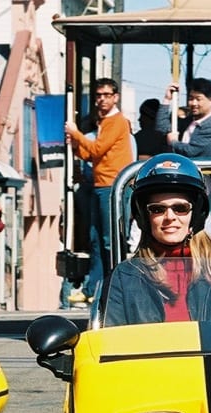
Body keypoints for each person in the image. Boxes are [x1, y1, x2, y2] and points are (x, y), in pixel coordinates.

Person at [101, 154, 211, 326]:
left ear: (196, 214)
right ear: (144, 217)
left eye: (180, 208)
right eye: (157, 209)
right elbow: (112, 341)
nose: (169, 217)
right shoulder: (125, 277)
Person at [65, 77, 135, 303]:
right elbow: (91, 154)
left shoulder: (117, 121)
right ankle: (94, 287)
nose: (102, 99)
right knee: (96, 238)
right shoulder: (104, 121)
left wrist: (76, 134)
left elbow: (96, 148)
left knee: (109, 239)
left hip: (112, 186)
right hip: (100, 184)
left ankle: (117, 283)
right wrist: (76, 145)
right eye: (98, 95)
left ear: (115, 97)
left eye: (106, 95)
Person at [159, 77, 211, 242]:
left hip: (210, 191)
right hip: (193, 187)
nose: (193, 103)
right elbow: (161, 128)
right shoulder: (190, 121)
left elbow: (194, 153)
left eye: (198, 99)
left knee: (206, 238)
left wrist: (174, 142)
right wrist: (167, 100)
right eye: (191, 98)